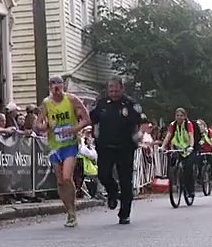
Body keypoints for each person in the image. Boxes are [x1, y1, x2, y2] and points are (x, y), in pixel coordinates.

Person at [33, 75, 92, 227]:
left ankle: (73, 211)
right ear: (50, 87)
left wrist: (75, 129)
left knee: (67, 177)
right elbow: (37, 124)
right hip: (54, 145)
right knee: (60, 181)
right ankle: (69, 211)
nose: (56, 88)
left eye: (58, 84)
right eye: (53, 85)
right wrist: (44, 126)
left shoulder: (71, 100)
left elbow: (86, 119)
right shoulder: (46, 103)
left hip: (70, 144)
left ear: (63, 86)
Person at [89, 78, 146, 224]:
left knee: (126, 180)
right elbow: (92, 119)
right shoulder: (101, 104)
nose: (113, 94)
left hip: (125, 147)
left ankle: (124, 213)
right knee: (103, 174)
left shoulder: (130, 104)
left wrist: (139, 135)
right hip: (105, 146)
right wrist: (95, 132)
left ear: (122, 89)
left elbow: (143, 122)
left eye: (116, 91)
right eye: (111, 91)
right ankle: (113, 191)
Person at [161, 108, 201, 204]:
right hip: (178, 148)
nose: (179, 117)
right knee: (173, 162)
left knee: (188, 169)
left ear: (185, 116)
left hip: (187, 148)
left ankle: (190, 190)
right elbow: (168, 136)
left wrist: (191, 146)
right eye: (177, 115)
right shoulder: (172, 125)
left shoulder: (188, 124)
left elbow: (191, 136)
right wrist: (163, 146)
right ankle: (175, 179)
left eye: (181, 115)